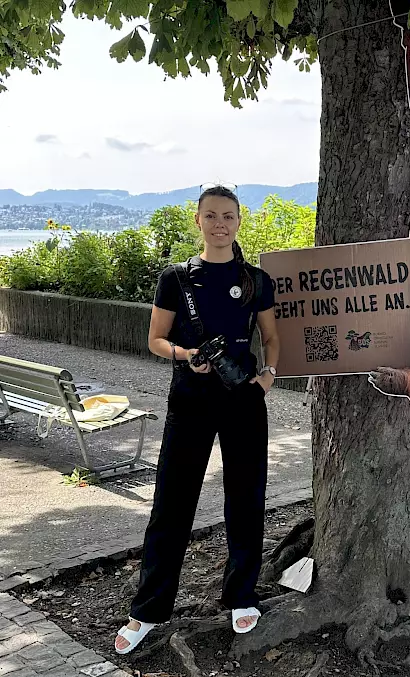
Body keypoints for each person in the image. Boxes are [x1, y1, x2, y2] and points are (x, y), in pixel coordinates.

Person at [115, 185, 279, 654]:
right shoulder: (176, 278)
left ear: (238, 221)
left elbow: (272, 337)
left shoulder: (256, 279)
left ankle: (241, 595)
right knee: (172, 501)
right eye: (211, 216)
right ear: (199, 221)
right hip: (189, 399)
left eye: (228, 216)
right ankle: (147, 609)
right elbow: (155, 339)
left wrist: (267, 378)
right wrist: (187, 355)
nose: (220, 224)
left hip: (243, 400)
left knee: (246, 499)